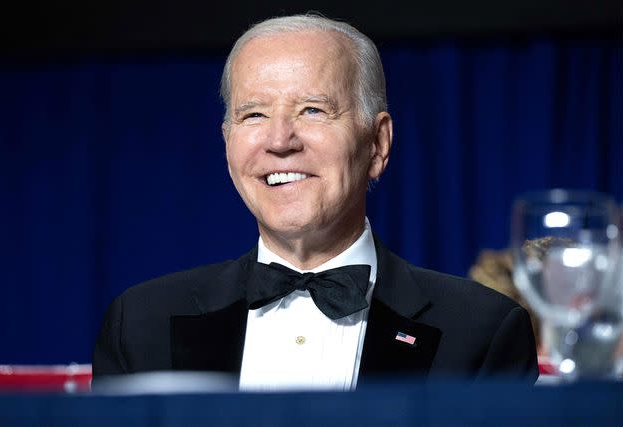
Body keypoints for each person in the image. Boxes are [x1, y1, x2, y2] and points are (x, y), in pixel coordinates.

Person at [93, 14, 538, 390]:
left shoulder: (482, 332)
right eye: (254, 114)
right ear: (227, 143)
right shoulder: (140, 324)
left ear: (377, 145)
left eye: (312, 110)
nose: (279, 140)